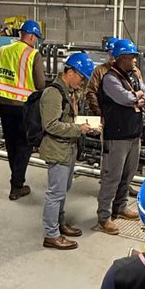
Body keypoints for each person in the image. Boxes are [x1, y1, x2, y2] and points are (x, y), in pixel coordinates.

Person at [40, 51, 98, 252]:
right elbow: (50, 125)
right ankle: (51, 234)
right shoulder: (53, 93)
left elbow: (68, 118)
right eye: (81, 77)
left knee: (63, 189)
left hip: (69, 148)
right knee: (55, 193)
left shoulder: (70, 92)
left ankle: (59, 223)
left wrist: (84, 125)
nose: (82, 83)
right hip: (57, 149)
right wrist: (78, 129)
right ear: (70, 71)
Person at [95, 39, 145, 236]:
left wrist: (137, 96)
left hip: (133, 134)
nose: (134, 61)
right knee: (112, 177)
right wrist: (137, 97)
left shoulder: (133, 76)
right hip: (116, 136)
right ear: (120, 58)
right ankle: (104, 217)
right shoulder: (110, 78)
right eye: (131, 57)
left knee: (128, 175)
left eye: (135, 57)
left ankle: (120, 207)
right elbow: (123, 98)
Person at [0, 19, 46, 201]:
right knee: (25, 145)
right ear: (30, 36)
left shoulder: (2, 51)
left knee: (11, 144)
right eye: (36, 37)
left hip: (4, 104)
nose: (35, 41)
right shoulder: (32, 54)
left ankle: (16, 179)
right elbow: (40, 84)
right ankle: (17, 185)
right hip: (24, 107)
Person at [85, 36, 122, 117]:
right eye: (110, 52)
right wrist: (99, 112)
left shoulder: (132, 71)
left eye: (114, 52)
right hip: (105, 115)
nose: (112, 55)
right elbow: (91, 92)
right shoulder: (99, 71)